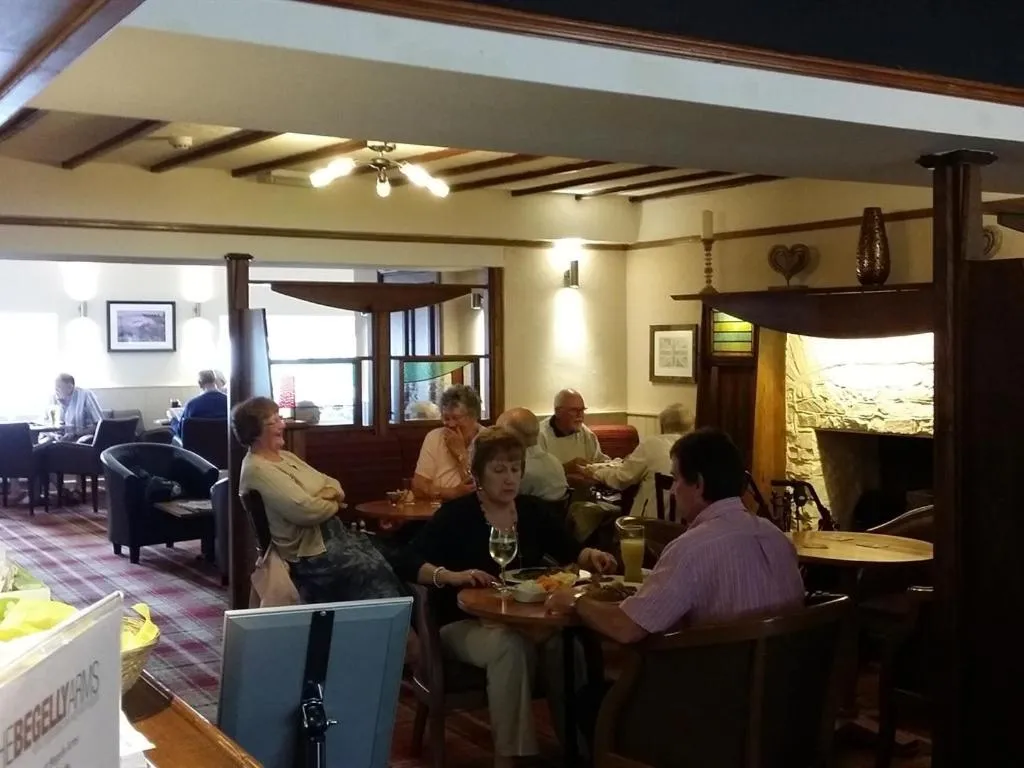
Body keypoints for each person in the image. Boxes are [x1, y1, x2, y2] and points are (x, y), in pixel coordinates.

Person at [397, 427, 617, 768]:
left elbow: (570, 549)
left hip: (524, 619)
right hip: (463, 623)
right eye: (499, 469)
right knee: (509, 647)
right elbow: (408, 560)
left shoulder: (530, 511)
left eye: (515, 468)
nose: (509, 478)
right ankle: (509, 758)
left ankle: (579, 748)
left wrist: (592, 556)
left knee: (566, 647)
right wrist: (450, 576)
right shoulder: (458, 515)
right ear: (479, 473)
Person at [548, 428, 805, 639]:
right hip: (781, 692)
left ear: (699, 483)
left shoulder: (691, 550)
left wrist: (576, 601)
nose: (672, 491)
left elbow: (626, 628)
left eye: (676, 479)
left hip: (711, 695)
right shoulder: (777, 538)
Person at [233, 396, 404, 602]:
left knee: (394, 552)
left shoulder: (286, 457)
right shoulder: (257, 469)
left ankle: (409, 619)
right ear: (255, 432)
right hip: (309, 554)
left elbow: (332, 483)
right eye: (274, 422)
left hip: (333, 537)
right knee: (373, 568)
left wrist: (324, 497)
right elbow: (306, 510)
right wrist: (332, 502)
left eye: (280, 418)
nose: (283, 424)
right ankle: (388, 626)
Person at [584, 403, 694, 518]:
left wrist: (595, 472)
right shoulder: (696, 449)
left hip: (650, 524)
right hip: (687, 526)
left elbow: (622, 478)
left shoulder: (652, 444)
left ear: (662, 425)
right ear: (691, 427)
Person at [411, 384, 481, 501]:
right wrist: (452, 492)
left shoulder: (488, 439)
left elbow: (479, 490)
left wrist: (461, 455)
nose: (451, 424)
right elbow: (418, 486)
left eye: (456, 418)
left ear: (473, 417)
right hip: (436, 510)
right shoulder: (434, 437)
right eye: (446, 418)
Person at [496, 407, 568, 502]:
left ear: (508, 437)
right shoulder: (555, 462)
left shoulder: (517, 471)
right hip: (557, 515)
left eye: (497, 433)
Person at [537, 389, 609, 480]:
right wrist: (566, 468)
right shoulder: (540, 435)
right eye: (574, 410)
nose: (579, 415)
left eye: (582, 410)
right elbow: (537, 475)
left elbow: (599, 460)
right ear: (558, 412)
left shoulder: (586, 433)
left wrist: (615, 464)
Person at [44, 373, 103, 442]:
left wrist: (75, 434)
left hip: (82, 438)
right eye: (55, 387)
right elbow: (45, 423)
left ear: (70, 387)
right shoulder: (53, 398)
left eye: (59, 387)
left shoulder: (85, 395)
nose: (56, 390)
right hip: (59, 440)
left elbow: (99, 425)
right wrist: (55, 435)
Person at [172, 369, 228, 437]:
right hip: (223, 445)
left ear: (200, 384)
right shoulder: (228, 402)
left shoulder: (191, 405)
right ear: (215, 381)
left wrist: (173, 422)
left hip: (195, 446)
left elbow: (180, 431)